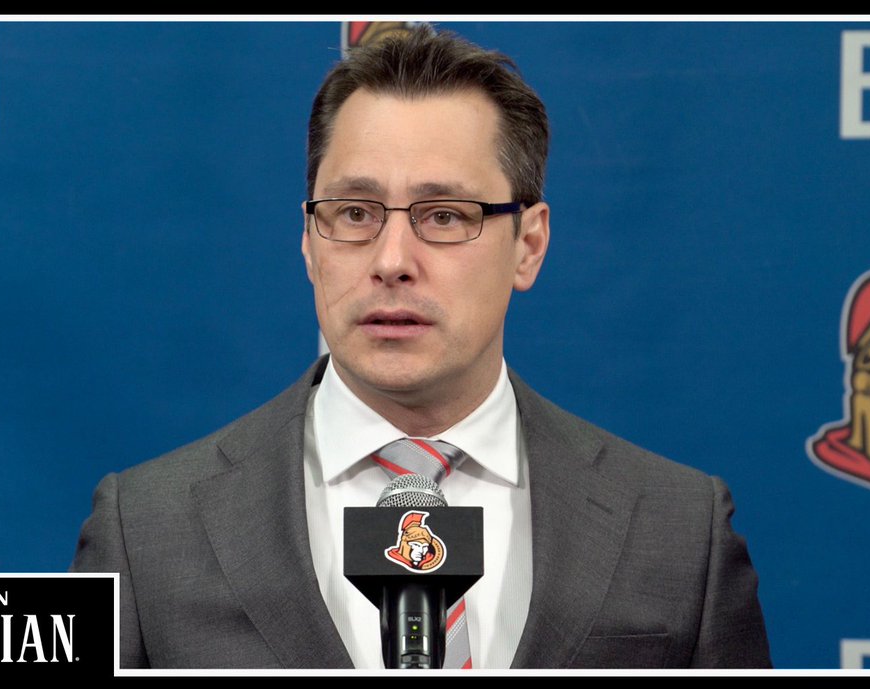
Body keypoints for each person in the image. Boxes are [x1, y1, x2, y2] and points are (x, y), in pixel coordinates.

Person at [71, 26, 772, 669]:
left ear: (528, 245)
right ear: (310, 242)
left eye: (444, 215)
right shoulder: (146, 529)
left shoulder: (680, 532)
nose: (392, 258)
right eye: (354, 213)